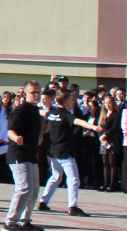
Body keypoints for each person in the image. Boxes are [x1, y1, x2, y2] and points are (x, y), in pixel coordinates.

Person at [39, 85, 101, 216]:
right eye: (72, 100)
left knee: (56, 176)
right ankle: (73, 207)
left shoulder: (52, 113)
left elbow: (41, 112)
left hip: (53, 151)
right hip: (64, 151)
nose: (73, 102)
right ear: (66, 102)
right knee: (73, 179)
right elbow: (79, 122)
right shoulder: (66, 115)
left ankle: (43, 202)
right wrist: (93, 127)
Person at [3, 81, 46, 231]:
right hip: (18, 154)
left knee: (34, 190)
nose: (37, 95)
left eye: (38, 92)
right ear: (25, 93)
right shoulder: (20, 110)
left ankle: (25, 220)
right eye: (33, 92)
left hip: (31, 154)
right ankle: (10, 222)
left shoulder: (36, 111)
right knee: (24, 188)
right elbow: (10, 130)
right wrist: (16, 138)